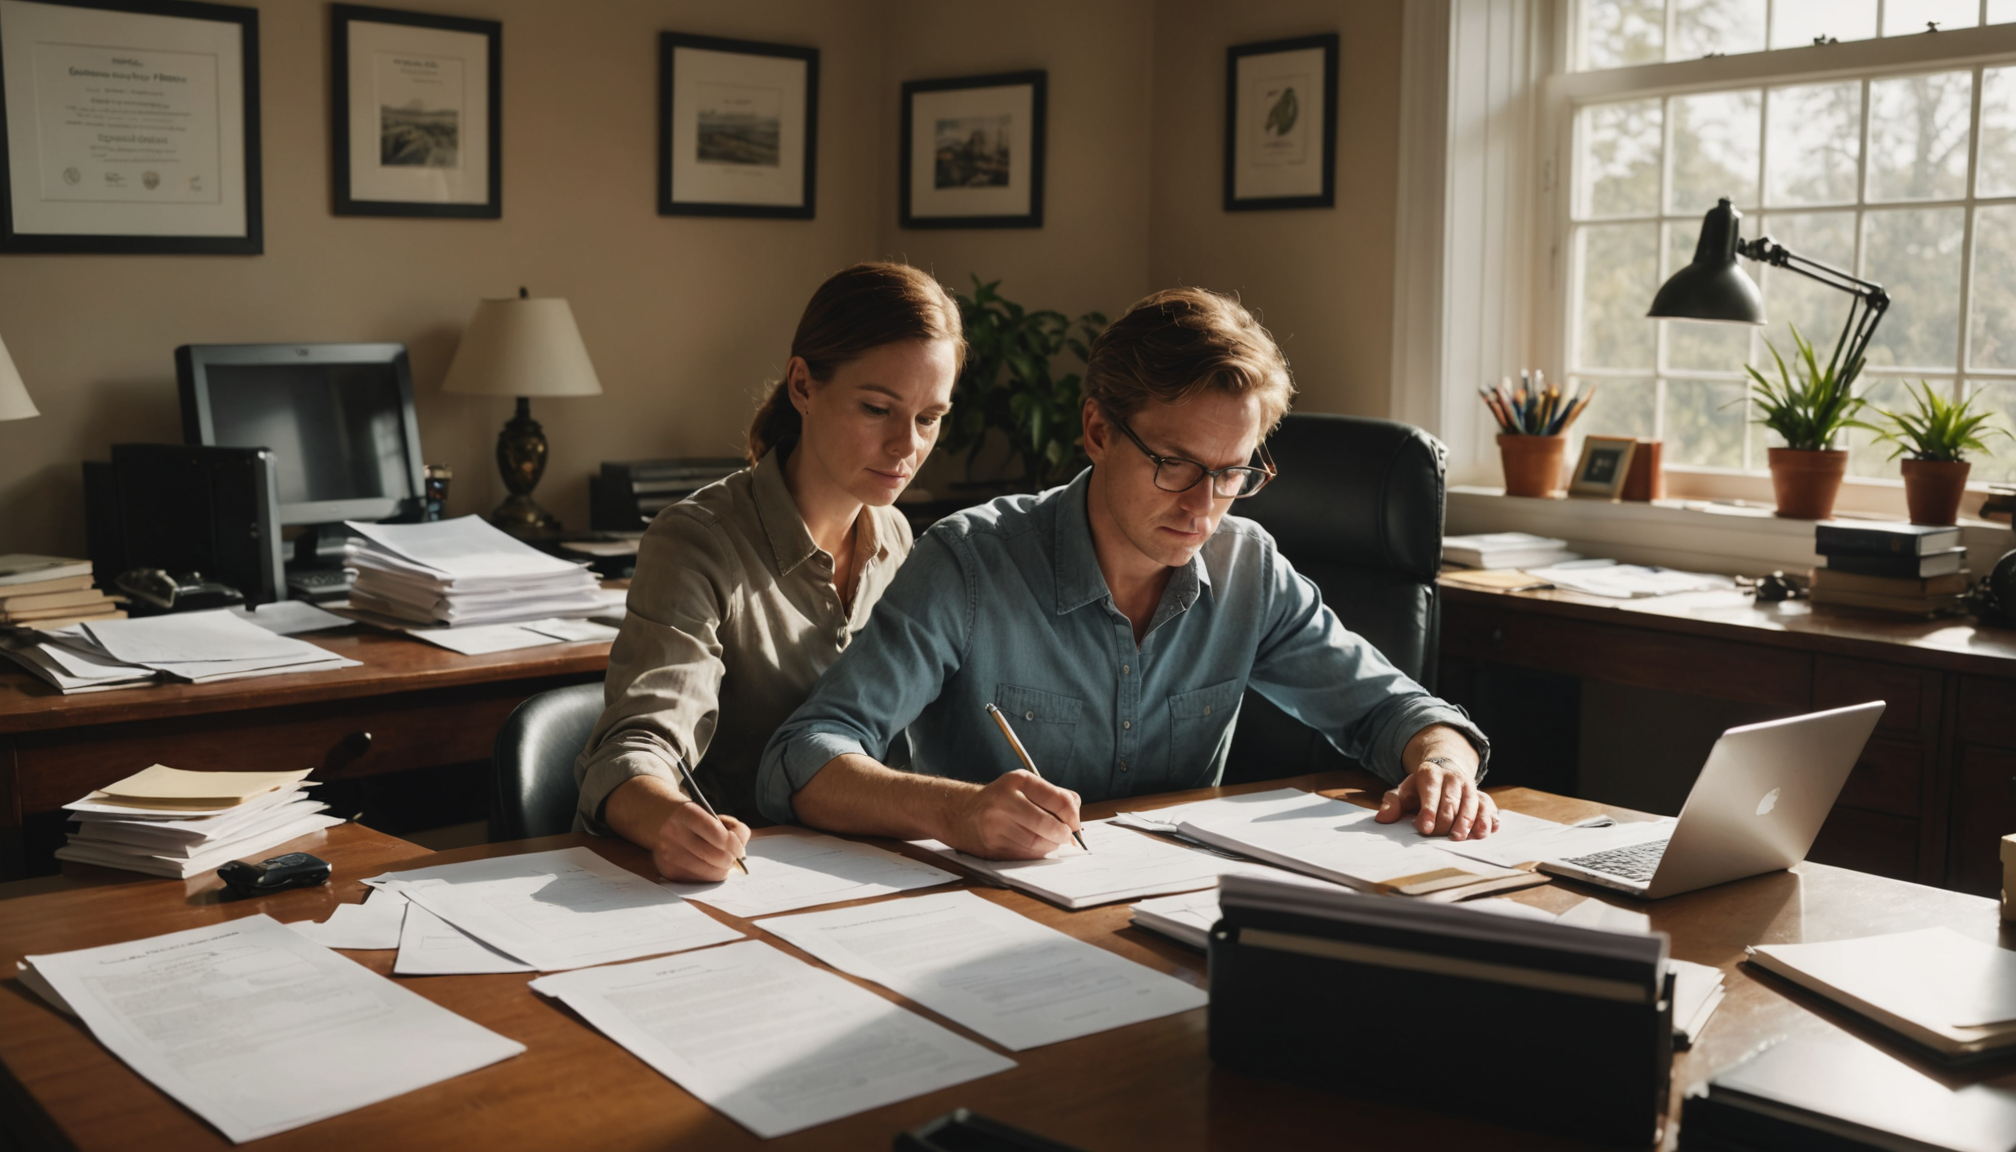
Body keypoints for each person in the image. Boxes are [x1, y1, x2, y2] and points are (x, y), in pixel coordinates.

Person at [755, 287, 1498, 859]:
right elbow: (804, 757)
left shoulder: (1248, 568)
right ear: (1099, 431)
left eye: (1232, 472)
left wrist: (1442, 768)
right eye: (1175, 464)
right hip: (993, 921)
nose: (1204, 506)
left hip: (1179, 918)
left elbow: (1404, 713)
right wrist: (956, 811)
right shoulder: (970, 563)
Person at [574, 262, 963, 881]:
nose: (905, 446)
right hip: (726, 881)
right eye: (876, 408)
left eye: (927, 418)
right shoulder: (697, 541)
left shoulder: (897, 538)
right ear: (803, 386)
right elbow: (636, 747)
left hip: (856, 874)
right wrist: (667, 818)